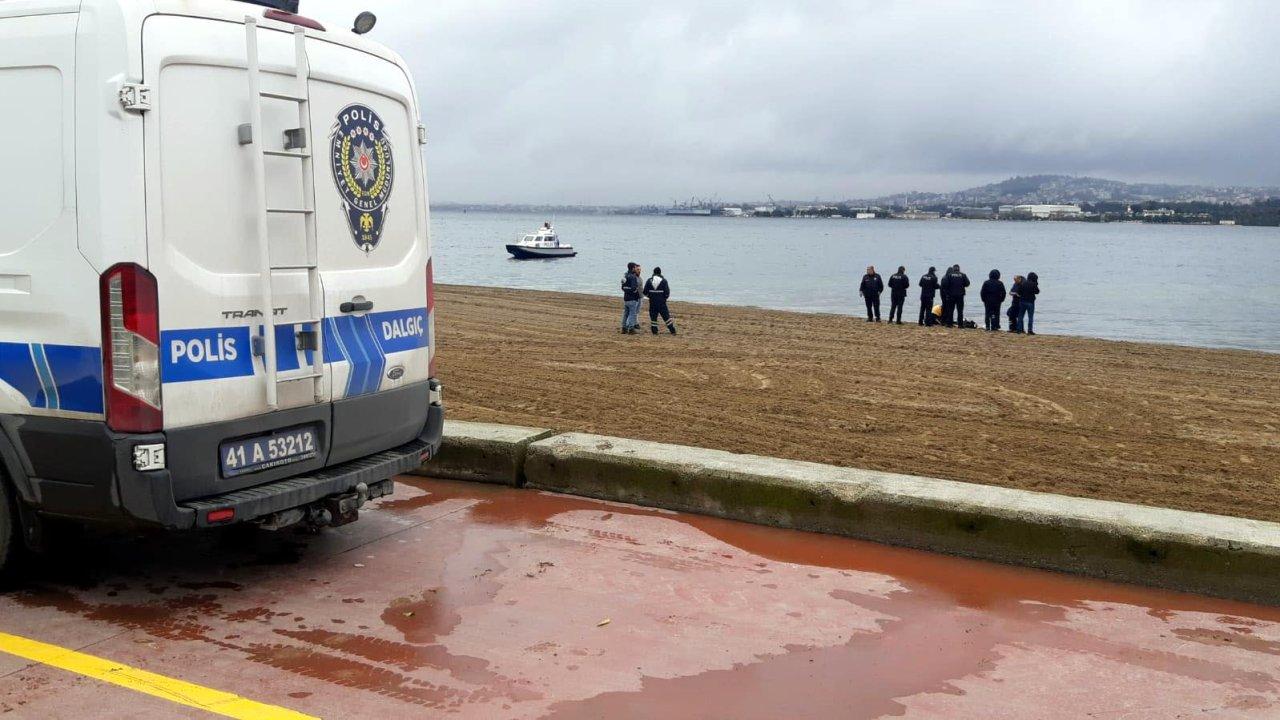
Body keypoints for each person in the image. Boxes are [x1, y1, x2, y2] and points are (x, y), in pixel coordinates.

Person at [643, 267, 677, 335]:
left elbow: (645, 292)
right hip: (661, 302)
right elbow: (667, 293)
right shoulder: (664, 281)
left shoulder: (649, 280)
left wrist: (650, 296)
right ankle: (672, 330)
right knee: (666, 317)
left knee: (653, 317)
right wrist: (664, 298)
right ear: (660, 273)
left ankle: (654, 331)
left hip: (652, 302)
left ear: (653, 272)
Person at [620, 262, 642, 334]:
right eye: (635, 267)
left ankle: (624, 328)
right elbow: (633, 288)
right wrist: (635, 292)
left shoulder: (625, 276)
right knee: (632, 314)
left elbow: (623, 287)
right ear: (633, 268)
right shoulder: (633, 277)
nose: (636, 268)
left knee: (626, 314)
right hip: (632, 298)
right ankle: (631, 328)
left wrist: (627, 290)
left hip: (626, 298)